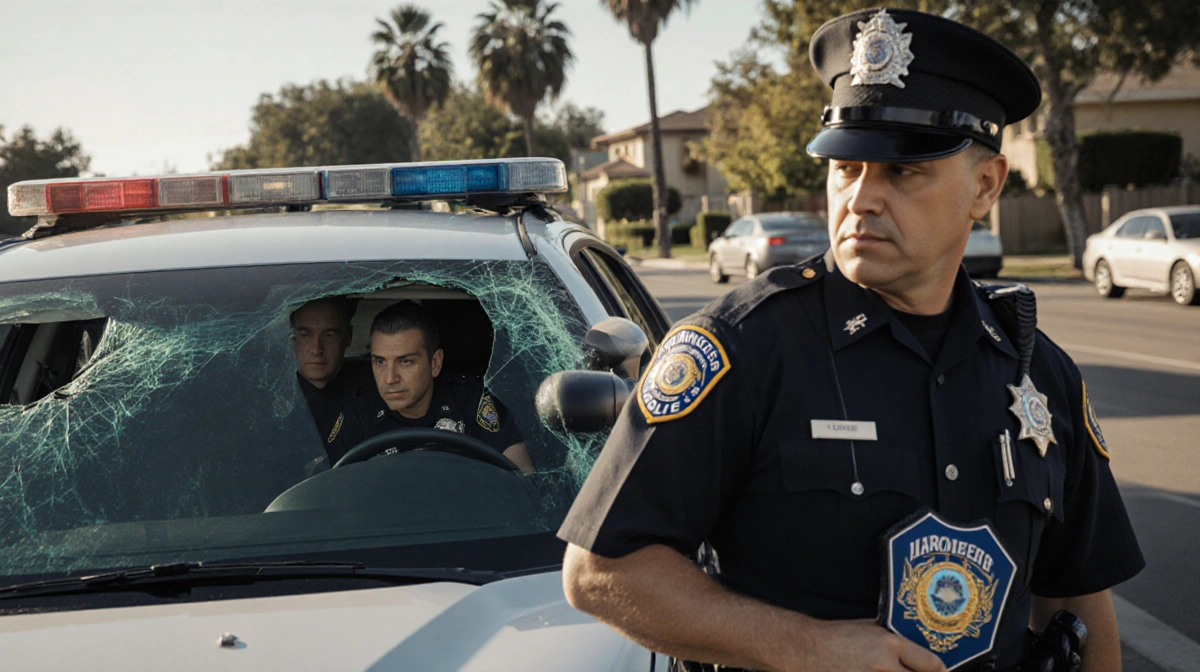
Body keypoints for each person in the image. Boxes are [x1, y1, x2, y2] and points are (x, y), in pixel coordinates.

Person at [558, 8, 1143, 672]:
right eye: (846, 167)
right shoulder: (742, 349)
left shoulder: (1040, 375)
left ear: (985, 186)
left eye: (903, 172)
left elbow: (1078, 599)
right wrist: (805, 647)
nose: (860, 198)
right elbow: (601, 571)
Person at [328, 301, 534, 474]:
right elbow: (330, 492)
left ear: (435, 363)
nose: (390, 378)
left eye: (405, 362)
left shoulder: (471, 402)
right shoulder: (358, 415)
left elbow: (521, 476)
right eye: (380, 362)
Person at [291, 297, 372, 450]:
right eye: (305, 334)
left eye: (329, 335)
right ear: (292, 338)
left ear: (348, 337)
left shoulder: (375, 389)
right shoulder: (269, 400)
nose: (316, 349)